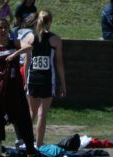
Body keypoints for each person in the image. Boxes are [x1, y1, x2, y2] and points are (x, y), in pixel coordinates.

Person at [0, 17, 40, 157]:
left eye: (6, 27)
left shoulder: (15, 43)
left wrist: (15, 54)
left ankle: (31, 154)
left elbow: (29, 47)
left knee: (24, 121)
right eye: (0, 27)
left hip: (16, 89)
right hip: (0, 90)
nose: (3, 30)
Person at [21, 10, 64, 147]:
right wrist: (63, 84)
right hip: (47, 79)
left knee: (31, 112)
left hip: (32, 78)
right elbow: (59, 63)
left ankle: (24, 141)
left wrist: (25, 81)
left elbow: (26, 64)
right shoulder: (55, 40)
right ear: (49, 22)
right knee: (42, 114)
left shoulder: (29, 39)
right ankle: (38, 145)